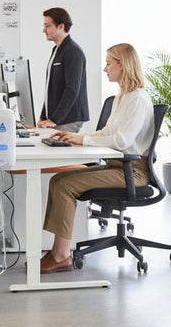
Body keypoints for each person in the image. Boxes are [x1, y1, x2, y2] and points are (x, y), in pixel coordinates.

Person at [40, 43, 154, 274]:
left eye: (109, 63)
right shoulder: (123, 97)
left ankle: (61, 256)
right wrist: (77, 137)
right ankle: (56, 252)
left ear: (122, 66)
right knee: (58, 180)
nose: (105, 69)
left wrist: (83, 141)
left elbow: (121, 140)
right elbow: (107, 132)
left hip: (133, 172)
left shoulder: (138, 99)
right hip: (117, 167)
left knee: (66, 185)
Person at [38, 7, 89, 133]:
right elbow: (50, 88)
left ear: (61, 26)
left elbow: (71, 89)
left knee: (52, 150)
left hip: (68, 118)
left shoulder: (73, 51)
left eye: (47, 26)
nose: (44, 30)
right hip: (58, 118)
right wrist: (43, 116)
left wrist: (54, 119)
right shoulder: (57, 50)